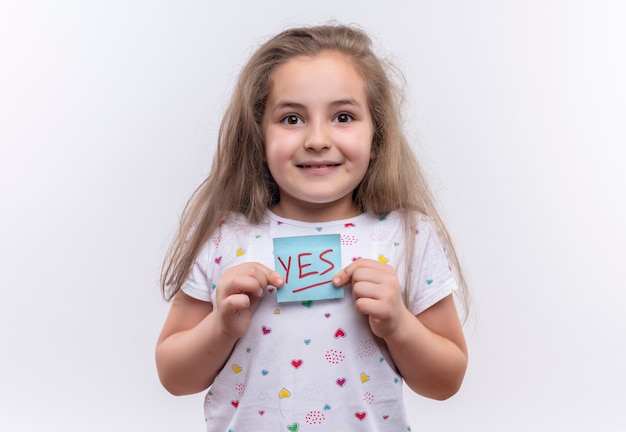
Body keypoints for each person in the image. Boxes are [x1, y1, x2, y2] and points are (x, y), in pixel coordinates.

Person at [156, 23, 469, 431]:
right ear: (258, 138)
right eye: (291, 118)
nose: (317, 139)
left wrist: (398, 323)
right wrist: (220, 328)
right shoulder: (222, 234)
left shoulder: (408, 235)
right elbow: (174, 377)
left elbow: (446, 381)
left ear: (377, 138)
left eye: (343, 116)